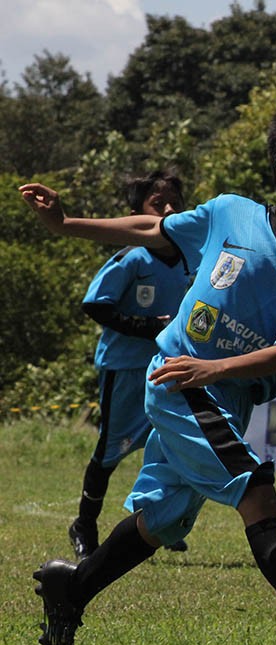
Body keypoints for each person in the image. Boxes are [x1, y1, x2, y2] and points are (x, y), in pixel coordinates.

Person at [21, 98, 276, 645]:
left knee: (160, 518)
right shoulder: (229, 214)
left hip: (220, 391)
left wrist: (217, 372)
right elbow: (153, 230)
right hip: (178, 380)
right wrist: (65, 224)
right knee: (257, 493)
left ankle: (73, 588)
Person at [69, 171, 192, 561]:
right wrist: (146, 329)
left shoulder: (194, 257)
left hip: (169, 367)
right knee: (110, 449)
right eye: (159, 204)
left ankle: (159, 524)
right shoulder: (131, 256)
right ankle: (84, 524)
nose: (169, 209)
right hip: (125, 368)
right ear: (137, 213)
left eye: (175, 202)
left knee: (169, 445)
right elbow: (95, 304)